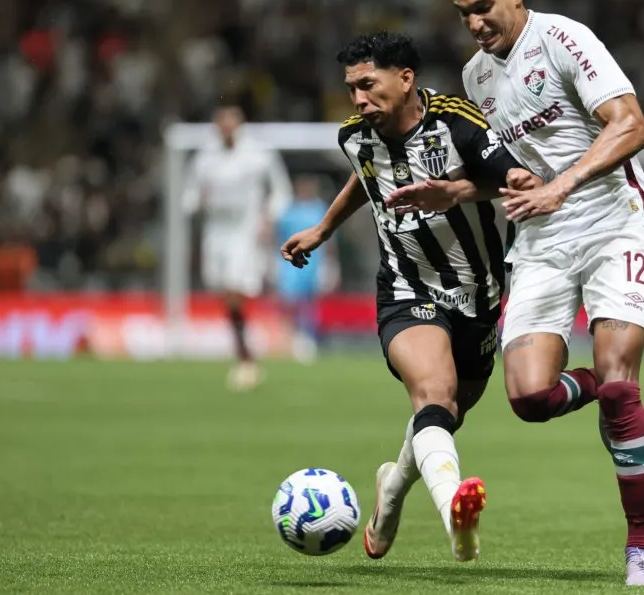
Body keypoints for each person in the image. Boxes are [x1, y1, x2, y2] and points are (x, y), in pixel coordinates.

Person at [396, 0, 644, 586]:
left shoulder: (564, 38)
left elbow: (630, 124)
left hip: (610, 225)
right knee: (529, 397)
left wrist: (564, 185)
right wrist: (457, 191)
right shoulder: (476, 77)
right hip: (543, 241)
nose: (476, 25)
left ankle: (642, 547)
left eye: (485, 8)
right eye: (464, 14)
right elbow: (508, 173)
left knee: (619, 380)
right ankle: (599, 385)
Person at [279, 31, 536, 563]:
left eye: (368, 85)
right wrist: (324, 229)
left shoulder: (458, 123)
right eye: (352, 88)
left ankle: (391, 491)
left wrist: (458, 191)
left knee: (444, 416)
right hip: (407, 288)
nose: (358, 100)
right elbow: (365, 176)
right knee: (434, 394)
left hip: (481, 297)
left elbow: (515, 177)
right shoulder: (355, 136)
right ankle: (455, 522)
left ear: (405, 79)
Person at [183, 104, 292, 391]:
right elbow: (189, 194)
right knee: (223, 291)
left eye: (231, 123)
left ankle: (246, 357)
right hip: (215, 231)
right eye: (222, 124)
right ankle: (245, 352)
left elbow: (281, 191)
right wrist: (196, 202)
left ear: (240, 125)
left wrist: (269, 216)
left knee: (235, 289)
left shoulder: (258, 154)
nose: (227, 129)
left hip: (245, 230)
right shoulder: (205, 157)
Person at [274, 175, 340, 364]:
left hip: (313, 263)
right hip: (290, 264)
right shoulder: (288, 209)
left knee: (310, 303)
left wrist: (331, 264)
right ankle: (292, 337)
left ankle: (308, 338)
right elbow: (277, 234)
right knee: (290, 302)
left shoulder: (320, 209)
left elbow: (329, 237)